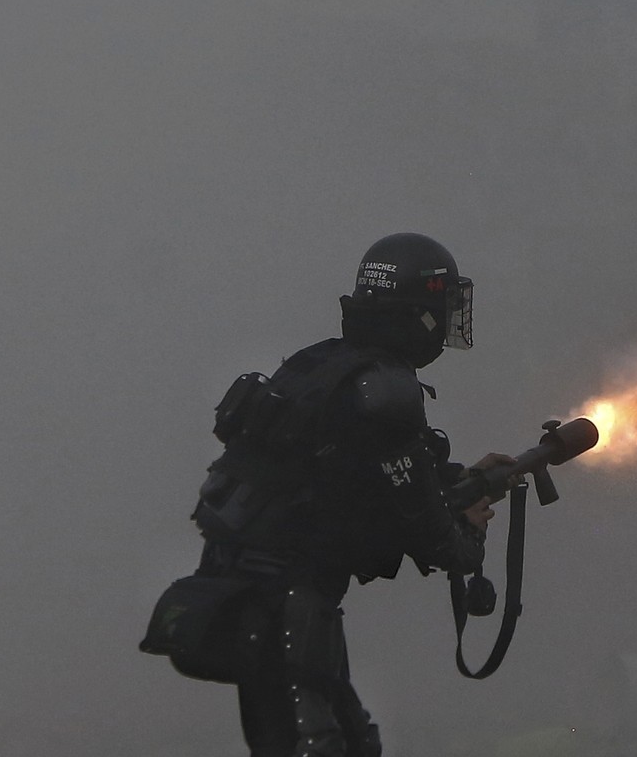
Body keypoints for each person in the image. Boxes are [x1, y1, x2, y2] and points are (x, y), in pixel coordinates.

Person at [142, 233, 512, 757]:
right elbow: (429, 534)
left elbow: (355, 476)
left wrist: (458, 478)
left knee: (341, 743)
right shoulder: (385, 391)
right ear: (420, 310)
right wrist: (468, 531)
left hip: (248, 586)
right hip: (289, 604)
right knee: (315, 747)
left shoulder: (322, 365)